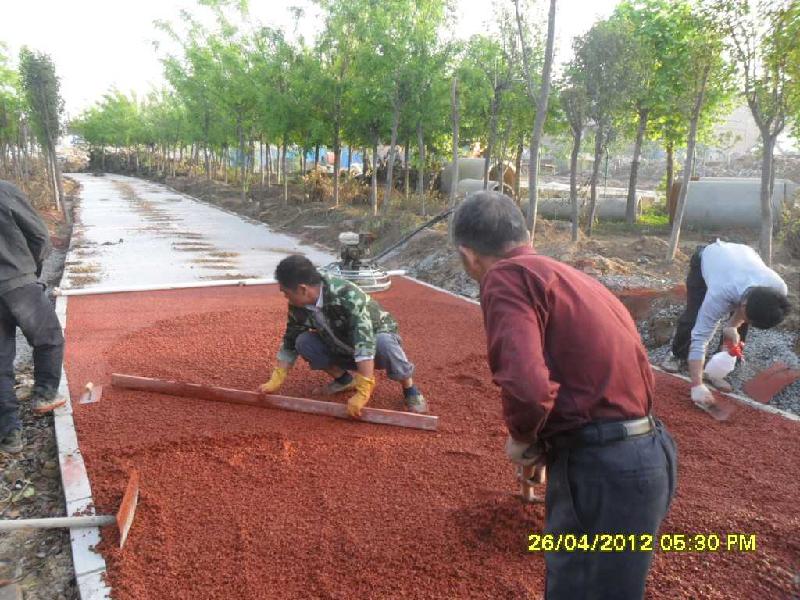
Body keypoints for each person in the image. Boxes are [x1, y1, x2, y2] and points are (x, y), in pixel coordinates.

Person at [451, 191, 677, 599]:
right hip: (648, 455)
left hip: (603, 469)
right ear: (525, 233)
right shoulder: (570, 277)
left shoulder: (506, 276)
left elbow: (527, 385)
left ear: (468, 256)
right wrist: (549, 445)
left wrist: (523, 438)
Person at [260, 254, 427, 416]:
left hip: (374, 345)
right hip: (341, 342)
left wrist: (364, 388)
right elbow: (290, 340)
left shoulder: (347, 294)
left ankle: (409, 389)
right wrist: (277, 377)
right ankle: (344, 381)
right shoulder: (298, 305)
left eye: (286, 292)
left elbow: (365, 341)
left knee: (384, 342)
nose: (285, 297)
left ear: (303, 289)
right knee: (303, 341)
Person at [661, 240, 789, 410]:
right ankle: (678, 355)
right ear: (742, 304)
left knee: (738, 330)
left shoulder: (778, 289)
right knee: (693, 318)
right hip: (708, 259)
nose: (746, 321)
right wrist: (697, 385)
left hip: (743, 256)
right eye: (747, 317)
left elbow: (743, 316)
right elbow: (701, 337)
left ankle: (716, 370)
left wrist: (732, 327)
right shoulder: (721, 292)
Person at [0, 180, 66, 454]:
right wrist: (32, 270)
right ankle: (44, 394)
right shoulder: (4, 190)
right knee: (48, 338)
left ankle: (10, 434)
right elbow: (39, 235)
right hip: (18, 281)